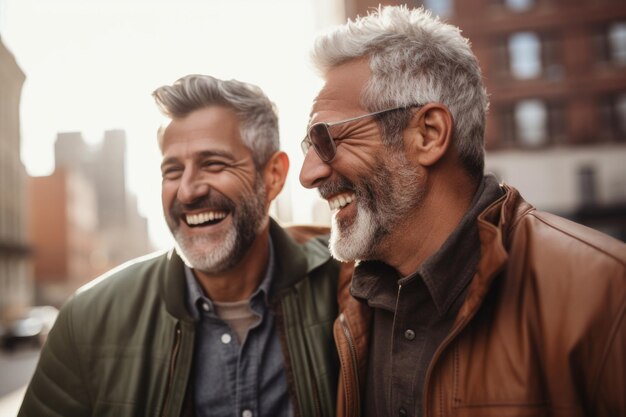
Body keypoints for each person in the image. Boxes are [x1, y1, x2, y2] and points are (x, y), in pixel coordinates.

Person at [299, 5, 626, 417]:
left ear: (429, 134)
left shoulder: (604, 293)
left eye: (327, 139)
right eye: (308, 147)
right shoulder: (346, 298)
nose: (309, 174)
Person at [19, 74, 352, 417]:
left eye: (213, 164)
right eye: (173, 171)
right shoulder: (87, 319)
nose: (188, 191)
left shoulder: (348, 290)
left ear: (273, 176)